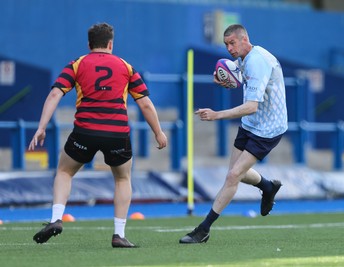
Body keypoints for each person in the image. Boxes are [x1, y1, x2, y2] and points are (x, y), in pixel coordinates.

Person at [29, 23, 167, 248]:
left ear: (89, 44)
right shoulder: (126, 67)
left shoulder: (77, 64)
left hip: (85, 132)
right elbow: (145, 104)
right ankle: (119, 235)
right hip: (117, 133)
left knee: (64, 171)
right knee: (122, 179)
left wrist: (41, 127)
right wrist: (158, 132)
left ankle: (56, 219)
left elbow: (55, 93)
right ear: (110, 43)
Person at [179, 24, 288, 244]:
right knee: (235, 173)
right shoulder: (244, 58)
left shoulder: (258, 61)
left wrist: (216, 115)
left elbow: (251, 106)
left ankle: (203, 229)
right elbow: (238, 79)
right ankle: (268, 186)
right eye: (226, 44)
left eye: (232, 43)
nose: (229, 48)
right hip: (250, 124)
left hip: (268, 129)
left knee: (232, 176)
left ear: (245, 38)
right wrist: (225, 80)